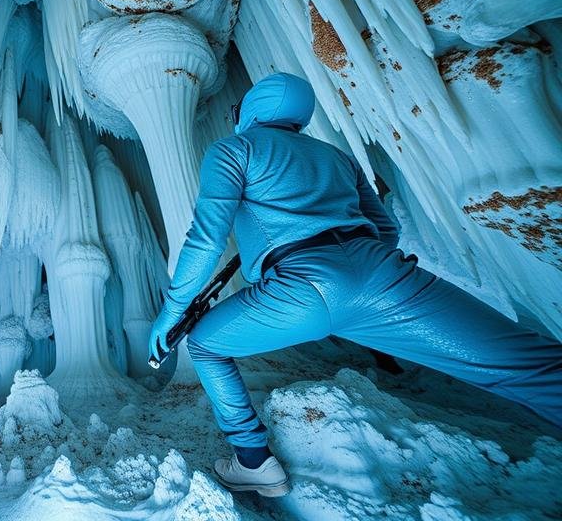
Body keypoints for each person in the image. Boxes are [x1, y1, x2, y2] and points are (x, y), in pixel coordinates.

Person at [148, 72, 562, 498]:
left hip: (301, 284)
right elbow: (385, 226)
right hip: (384, 272)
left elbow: (207, 238)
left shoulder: (235, 149)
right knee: (522, 363)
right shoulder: (336, 157)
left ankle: (254, 462)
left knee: (205, 344)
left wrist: (173, 309)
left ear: (250, 110)